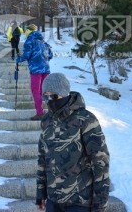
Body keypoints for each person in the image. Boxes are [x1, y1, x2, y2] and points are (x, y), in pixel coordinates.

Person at [36, 73, 110, 212]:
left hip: (79, 202)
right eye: (45, 96)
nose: (49, 101)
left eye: (54, 96)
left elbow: (100, 163)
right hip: (53, 201)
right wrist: (41, 195)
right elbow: (42, 159)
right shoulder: (46, 121)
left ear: (64, 94)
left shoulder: (85, 119)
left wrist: (100, 206)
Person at [16, 24, 53, 120]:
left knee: (36, 91)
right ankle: (52, 112)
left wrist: (18, 59)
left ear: (28, 31)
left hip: (36, 70)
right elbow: (50, 55)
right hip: (46, 69)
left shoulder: (29, 41)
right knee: (45, 91)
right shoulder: (43, 42)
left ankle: (40, 113)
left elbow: (26, 55)